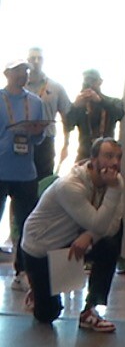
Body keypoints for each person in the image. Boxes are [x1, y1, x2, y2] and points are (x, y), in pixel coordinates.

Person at [21, 137, 124, 332]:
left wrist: (90, 236)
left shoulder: (115, 182)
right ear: (93, 160)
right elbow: (97, 223)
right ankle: (37, 290)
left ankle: (90, 310)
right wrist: (94, 231)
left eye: (118, 157)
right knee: (48, 315)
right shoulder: (70, 185)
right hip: (40, 249)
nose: (115, 163)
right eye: (108, 156)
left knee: (110, 245)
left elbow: (113, 225)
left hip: (70, 241)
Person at [1, 59, 51, 292]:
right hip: (2, 168)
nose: (23, 74)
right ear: (7, 73)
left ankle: (21, 270)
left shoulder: (35, 102)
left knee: (26, 224)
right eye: (18, 71)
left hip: (25, 171)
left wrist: (36, 133)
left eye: (25, 71)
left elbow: (40, 139)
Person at [24, 48, 70, 180]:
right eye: (33, 58)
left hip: (46, 142)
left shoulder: (56, 88)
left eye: (39, 58)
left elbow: (66, 116)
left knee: (44, 183)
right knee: (21, 184)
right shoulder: (20, 87)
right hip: (23, 141)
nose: (36, 61)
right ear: (28, 61)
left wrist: (66, 145)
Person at [64, 70, 125, 162]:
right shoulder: (81, 106)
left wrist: (100, 101)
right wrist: (74, 107)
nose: (89, 84)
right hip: (84, 154)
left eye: (92, 80)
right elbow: (68, 126)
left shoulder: (112, 102)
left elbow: (119, 114)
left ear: (100, 82)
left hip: (107, 154)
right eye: (86, 81)